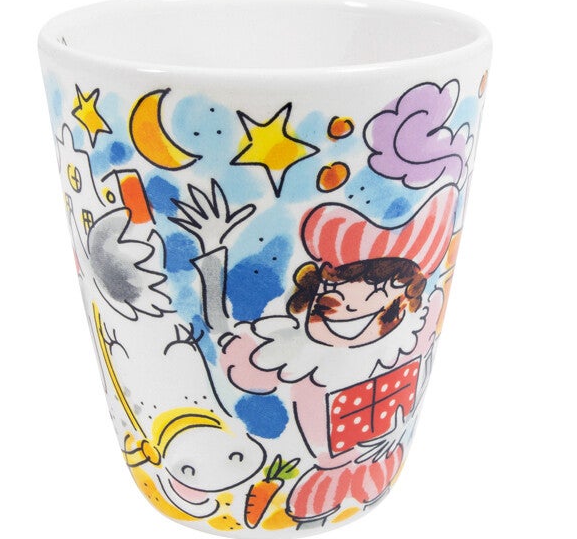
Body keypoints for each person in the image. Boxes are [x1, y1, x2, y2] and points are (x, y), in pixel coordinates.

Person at [173, 181, 457, 524]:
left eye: (373, 305)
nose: (347, 311)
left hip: (381, 454)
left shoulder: (407, 338)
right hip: (324, 469)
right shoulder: (290, 353)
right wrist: (212, 255)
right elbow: (222, 333)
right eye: (332, 301)